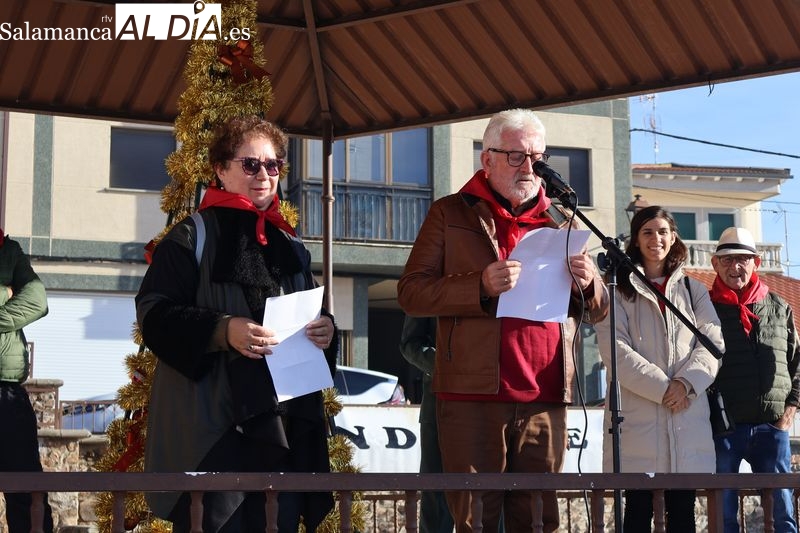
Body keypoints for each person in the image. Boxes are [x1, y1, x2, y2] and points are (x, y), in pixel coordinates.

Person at [397, 108, 609, 533]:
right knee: (476, 520)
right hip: (472, 394)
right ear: (487, 159)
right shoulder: (449, 213)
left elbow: (599, 310)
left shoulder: (562, 220)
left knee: (537, 521)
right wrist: (479, 285)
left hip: (546, 392)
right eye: (516, 156)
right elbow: (411, 293)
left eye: (538, 156)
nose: (530, 167)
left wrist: (587, 285)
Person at [136, 116, 338, 533]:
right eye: (250, 165)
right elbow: (153, 315)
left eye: (274, 165)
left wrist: (326, 330)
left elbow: (311, 314)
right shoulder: (191, 236)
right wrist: (223, 330)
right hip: (213, 431)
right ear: (221, 169)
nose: (264, 175)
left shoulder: (290, 243)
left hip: (282, 428)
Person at [594, 206, 724, 533]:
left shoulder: (694, 291)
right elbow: (615, 350)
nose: (656, 239)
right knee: (636, 516)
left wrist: (687, 384)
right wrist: (663, 388)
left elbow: (713, 344)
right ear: (636, 239)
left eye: (663, 231)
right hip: (638, 425)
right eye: (648, 232)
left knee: (683, 518)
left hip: (686, 420)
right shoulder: (617, 289)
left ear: (674, 237)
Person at [709, 226, 800, 533]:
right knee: (724, 513)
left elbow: (797, 361)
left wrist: (789, 412)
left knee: (783, 512)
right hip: (724, 427)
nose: (736, 266)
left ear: (755, 263)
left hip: (772, 426)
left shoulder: (778, 306)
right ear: (715, 264)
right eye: (728, 259)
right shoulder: (704, 307)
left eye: (743, 259)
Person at [0, 229, 54, 533]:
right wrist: (5, 293)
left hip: (8, 389)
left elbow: (37, 300)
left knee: (26, 488)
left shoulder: (9, 250)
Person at [398, 315, 454, 533]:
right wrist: (447, 363)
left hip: (492, 406)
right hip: (439, 405)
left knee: (493, 492)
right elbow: (409, 343)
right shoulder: (429, 282)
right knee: (436, 495)